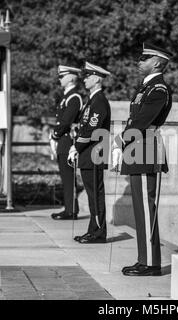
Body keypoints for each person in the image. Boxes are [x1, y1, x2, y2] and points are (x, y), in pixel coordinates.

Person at [112, 43, 173, 276]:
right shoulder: (145, 88)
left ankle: (151, 263)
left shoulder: (159, 90)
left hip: (146, 147)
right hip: (138, 147)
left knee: (147, 208)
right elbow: (133, 121)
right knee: (140, 208)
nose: (139, 61)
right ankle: (143, 258)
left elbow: (141, 122)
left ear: (157, 62)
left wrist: (120, 141)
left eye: (144, 58)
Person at [69, 62, 111, 244]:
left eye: (88, 76)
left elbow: (92, 130)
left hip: (94, 154)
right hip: (88, 154)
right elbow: (84, 126)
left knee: (95, 195)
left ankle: (98, 233)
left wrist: (75, 147)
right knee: (92, 194)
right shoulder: (92, 100)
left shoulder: (99, 101)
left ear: (96, 79)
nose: (85, 79)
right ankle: (93, 230)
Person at [50, 65, 83, 220]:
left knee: (69, 177)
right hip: (64, 141)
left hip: (68, 141)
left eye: (62, 76)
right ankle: (69, 208)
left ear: (71, 78)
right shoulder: (67, 96)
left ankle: (71, 210)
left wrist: (55, 135)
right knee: (66, 177)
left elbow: (66, 121)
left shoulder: (74, 97)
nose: (60, 79)